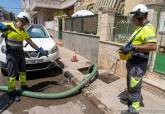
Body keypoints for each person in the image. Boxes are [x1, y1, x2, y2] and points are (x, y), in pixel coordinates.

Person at [0, 12, 47, 101]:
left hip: (20, 53)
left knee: (22, 71)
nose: (25, 24)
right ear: (20, 19)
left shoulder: (23, 32)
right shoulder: (9, 25)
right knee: (12, 74)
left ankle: (23, 85)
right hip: (11, 53)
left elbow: (30, 42)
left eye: (26, 23)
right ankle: (11, 92)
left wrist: (40, 50)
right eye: (24, 22)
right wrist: (2, 27)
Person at [119, 4, 157, 114]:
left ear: (139, 15)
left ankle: (134, 111)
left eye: (134, 17)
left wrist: (134, 47)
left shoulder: (147, 29)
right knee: (132, 87)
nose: (132, 20)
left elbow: (153, 46)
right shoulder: (140, 28)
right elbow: (136, 44)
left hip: (138, 65)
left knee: (135, 88)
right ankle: (131, 108)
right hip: (133, 63)